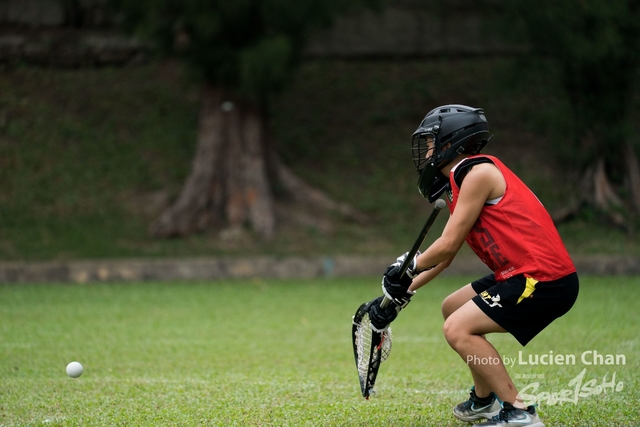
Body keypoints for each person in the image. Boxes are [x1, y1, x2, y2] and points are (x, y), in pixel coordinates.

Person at [369, 105, 579, 427]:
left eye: (429, 142)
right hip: (518, 274)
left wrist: (405, 267)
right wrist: (402, 292)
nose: (425, 151)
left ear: (449, 140)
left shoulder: (478, 173)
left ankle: (520, 412)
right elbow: (446, 255)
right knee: (452, 308)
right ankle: (484, 402)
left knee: (457, 328)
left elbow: (447, 245)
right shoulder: (463, 180)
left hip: (543, 278)